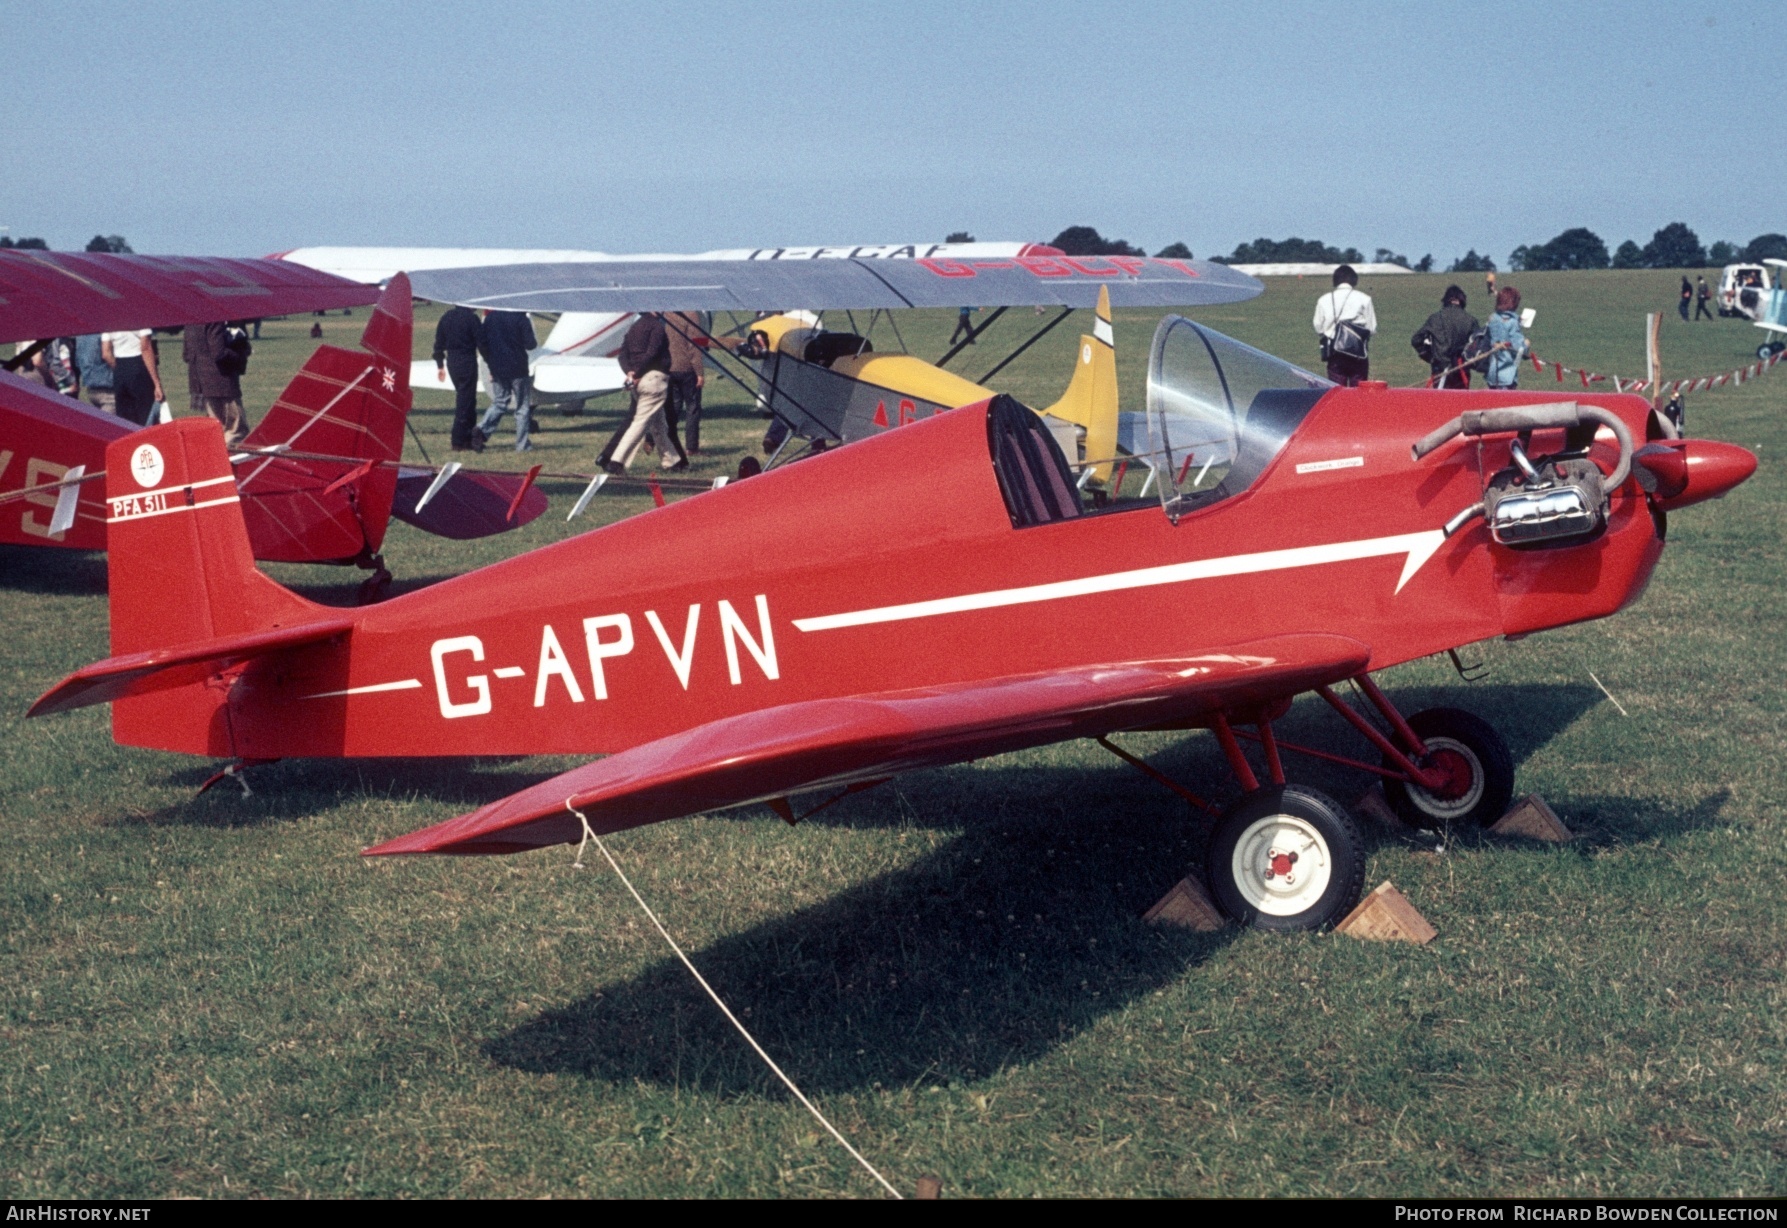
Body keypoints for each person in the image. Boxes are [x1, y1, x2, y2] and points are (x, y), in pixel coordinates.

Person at [602, 311, 681, 474]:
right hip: (654, 379)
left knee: (658, 424)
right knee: (640, 422)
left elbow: (622, 355)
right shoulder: (658, 326)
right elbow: (652, 352)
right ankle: (616, 461)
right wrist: (637, 373)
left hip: (638, 382)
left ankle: (672, 462)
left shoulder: (634, 327)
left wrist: (630, 373)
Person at [476, 310, 538, 451]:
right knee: (522, 407)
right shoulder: (521, 318)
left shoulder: (490, 318)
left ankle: (481, 429)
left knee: (500, 402)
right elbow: (531, 344)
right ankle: (522, 445)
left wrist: (490, 362)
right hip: (518, 368)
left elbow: (482, 343)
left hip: (497, 367)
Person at [182, 320, 252, 445]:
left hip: (201, 382)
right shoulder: (214, 320)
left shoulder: (190, 321)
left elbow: (186, 355)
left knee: (217, 429)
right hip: (221, 382)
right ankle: (225, 460)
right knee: (236, 430)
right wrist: (240, 355)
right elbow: (219, 353)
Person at [432, 304, 484, 451]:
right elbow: (481, 343)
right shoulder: (472, 319)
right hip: (467, 360)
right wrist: (490, 361)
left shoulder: (446, 317)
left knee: (468, 398)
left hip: (452, 362)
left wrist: (440, 365)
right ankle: (458, 439)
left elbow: (438, 344)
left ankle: (469, 437)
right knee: (465, 400)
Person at [1312, 264, 1376, 386]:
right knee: (1358, 391)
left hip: (1334, 352)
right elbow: (1371, 329)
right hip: (1358, 352)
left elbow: (1318, 328)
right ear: (1354, 280)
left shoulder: (1323, 299)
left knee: (1336, 389)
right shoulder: (1365, 299)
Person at [1412, 285, 1479, 389]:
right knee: (1460, 404)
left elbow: (1416, 340)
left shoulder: (1435, 318)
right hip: (1461, 371)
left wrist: (1429, 356)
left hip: (1439, 369)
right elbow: (1477, 346)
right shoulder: (1471, 320)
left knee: (1440, 404)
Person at [102, 328, 164, 426]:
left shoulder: (110, 319)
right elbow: (145, 348)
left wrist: (119, 369)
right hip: (138, 364)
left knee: (125, 421)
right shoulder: (140, 316)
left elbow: (106, 353)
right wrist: (157, 383)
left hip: (120, 367)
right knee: (145, 415)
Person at [665, 310, 705, 457]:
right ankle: (692, 447)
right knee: (692, 407)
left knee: (674, 407)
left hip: (670, 368)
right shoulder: (691, 314)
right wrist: (699, 372)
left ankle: (668, 443)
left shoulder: (667, 314)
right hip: (687, 368)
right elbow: (694, 346)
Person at [1484, 286, 1530, 390]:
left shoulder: (1492, 319)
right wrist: (1526, 344)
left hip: (1492, 373)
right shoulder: (1513, 323)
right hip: (1507, 375)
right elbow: (1518, 349)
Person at [74, 334, 114, 413]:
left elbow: (77, 362)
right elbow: (106, 355)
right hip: (107, 387)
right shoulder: (104, 333)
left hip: (89, 387)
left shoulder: (80, 336)